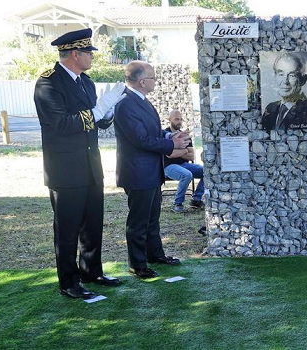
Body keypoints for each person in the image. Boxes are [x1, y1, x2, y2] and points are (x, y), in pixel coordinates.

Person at [33, 28, 125, 299]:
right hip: (65, 169)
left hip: (90, 165)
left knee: (93, 223)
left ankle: (91, 270)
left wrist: (107, 113)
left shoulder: (86, 82)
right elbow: (60, 125)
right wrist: (97, 111)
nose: (91, 57)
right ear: (75, 54)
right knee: (68, 228)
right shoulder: (48, 83)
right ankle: (68, 281)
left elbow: (94, 122)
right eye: (88, 53)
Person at [114, 60, 190, 278]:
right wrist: (172, 145)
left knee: (152, 217)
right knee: (139, 221)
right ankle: (137, 264)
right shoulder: (126, 104)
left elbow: (153, 131)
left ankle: (155, 253)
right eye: (154, 77)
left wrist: (169, 135)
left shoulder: (141, 101)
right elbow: (140, 139)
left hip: (150, 171)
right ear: (142, 81)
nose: (156, 81)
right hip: (138, 172)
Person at [164, 109, 205, 213]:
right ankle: (178, 203)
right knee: (187, 175)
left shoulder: (185, 135)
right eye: (176, 119)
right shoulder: (165, 135)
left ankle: (196, 199)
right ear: (170, 119)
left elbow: (191, 156)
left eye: (181, 119)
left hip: (184, 164)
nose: (179, 122)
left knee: (207, 172)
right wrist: (185, 151)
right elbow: (170, 155)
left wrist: (180, 150)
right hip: (168, 167)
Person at [261, 53, 307, 130]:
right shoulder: (271, 108)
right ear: (275, 76)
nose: (285, 81)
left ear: (303, 80)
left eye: (292, 75)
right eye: (281, 74)